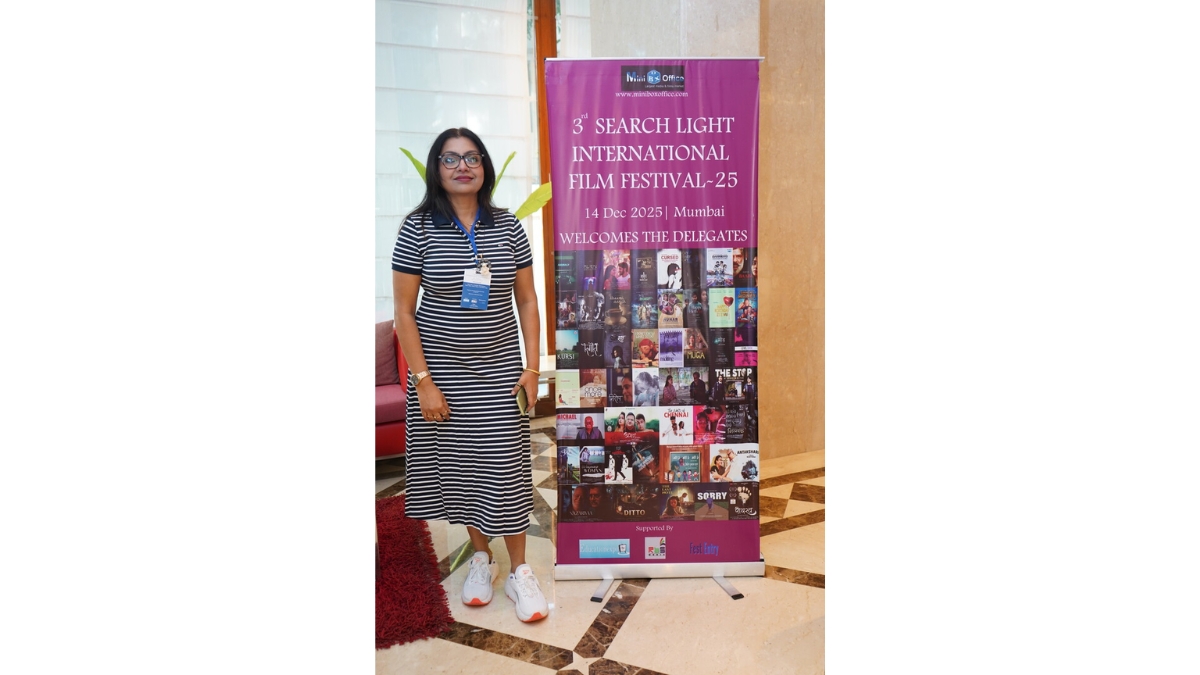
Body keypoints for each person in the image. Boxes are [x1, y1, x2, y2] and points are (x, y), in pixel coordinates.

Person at [391, 127, 547, 623]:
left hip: (500, 371)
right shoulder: (417, 229)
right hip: (442, 375)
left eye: (473, 157)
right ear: (436, 168)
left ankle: (519, 571)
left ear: (485, 168)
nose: (463, 166)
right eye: (451, 158)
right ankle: (482, 558)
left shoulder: (508, 226)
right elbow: (403, 311)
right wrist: (423, 381)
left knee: (506, 468)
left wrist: (531, 367)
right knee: (462, 470)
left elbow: (527, 300)